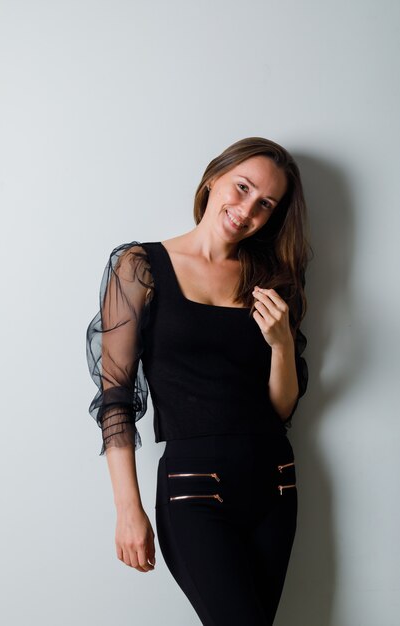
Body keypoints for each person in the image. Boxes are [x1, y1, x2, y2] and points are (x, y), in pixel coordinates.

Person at [86, 136, 310, 626]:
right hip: (193, 490)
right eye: (242, 187)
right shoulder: (139, 267)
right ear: (213, 179)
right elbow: (115, 398)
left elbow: (282, 409)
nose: (247, 208)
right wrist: (128, 509)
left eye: (265, 203)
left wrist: (281, 345)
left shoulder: (271, 278)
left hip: (275, 484)